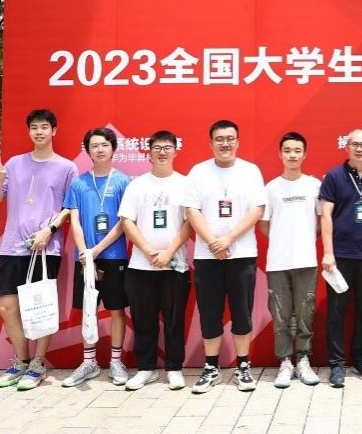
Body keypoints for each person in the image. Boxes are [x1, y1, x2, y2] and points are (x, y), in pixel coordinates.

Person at [0, 109, 76, 390]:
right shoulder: (13, 164)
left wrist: (48, 230)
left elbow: (70, 208)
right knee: (7, 306)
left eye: (44, 127)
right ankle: (20, 362)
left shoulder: (66, 167)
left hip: (45, 247)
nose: (39, 132)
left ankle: (38, 364)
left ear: (54, 131)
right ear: (29, 131)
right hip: (13, 245)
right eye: (34, 127)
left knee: (40, 306)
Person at [183, 119, 266, 393]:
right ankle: (211, 368)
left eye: (230, 138)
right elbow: (191, 210)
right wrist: (212, 242)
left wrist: (228, 239)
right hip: (207, 257)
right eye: (219, 139)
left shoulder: (250, 171)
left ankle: (243, 366)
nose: (225, 143)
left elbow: (257, 209)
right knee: (210, 314)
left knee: (242, 313)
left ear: (238, 142)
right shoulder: (198, 172)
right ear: (211, 143)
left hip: (242, 255)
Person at [118, 130, 192, 391]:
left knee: (174, 320)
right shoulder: (137, 185)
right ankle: (146, 369)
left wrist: (168, 252)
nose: (162, 152)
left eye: (167, 147)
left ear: (175, 151)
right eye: (157, 147)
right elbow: (127, 221)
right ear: (149, 152)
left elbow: (190, 222)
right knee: (143, 320)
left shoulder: (185, 184)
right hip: (141, 265)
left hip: (175, 264)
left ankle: (174, 368)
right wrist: (149, 251)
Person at [61, 128, 132, 388]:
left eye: (104, 144)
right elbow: (74, 220)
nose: (100, 149)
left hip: (114, 256)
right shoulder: (79, 183)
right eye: (94, 146)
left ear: (113, 148)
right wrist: (85, 252)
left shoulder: (123, 181)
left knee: (116, 310)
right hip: (85, 259)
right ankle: (89, 362)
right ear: (88, 151)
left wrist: (97, 249)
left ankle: (116, 361)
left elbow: (124, 222)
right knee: (88, 310)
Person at [319, 129, 362, 388]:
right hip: (340, 257)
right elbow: (325, 216)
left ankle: (360, 358)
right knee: (336, 311)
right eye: (354, 144)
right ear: (346, 147)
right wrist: (328, 252)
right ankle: (336, 363)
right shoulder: (334, 176)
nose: (359, 148)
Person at [258, 132, 321, 389]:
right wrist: (283, 239)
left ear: (304, 154)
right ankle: (285, 362)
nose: (292, 155)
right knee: (281, 315)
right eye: (287, 150)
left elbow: (322, 221)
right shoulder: (271, 188)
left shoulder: (314, 185)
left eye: (297, 150)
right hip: (278, 262)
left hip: (307, 260)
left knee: (305, 313)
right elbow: (264, 225)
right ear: (280, 154)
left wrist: (303, 239)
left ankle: (303, 359)